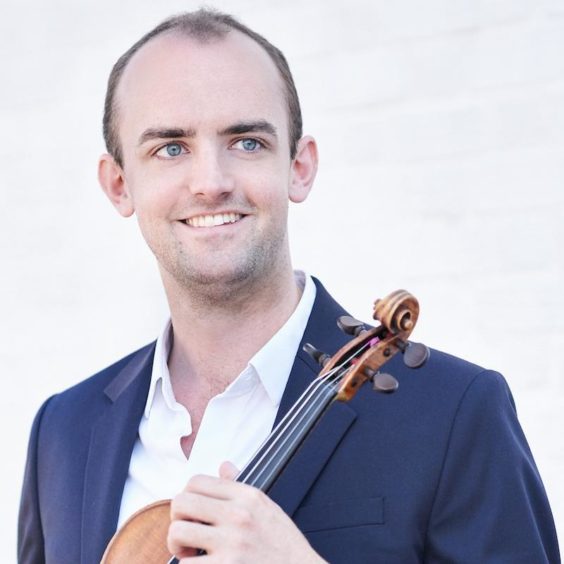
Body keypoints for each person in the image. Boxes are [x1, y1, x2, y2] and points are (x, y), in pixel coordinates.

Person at [18, 9, 560, 564]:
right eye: (171, 148)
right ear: (118, 183)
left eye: (247, 142)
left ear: (299, 167)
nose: (212, 183)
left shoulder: (453, 414)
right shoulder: (64, 432)